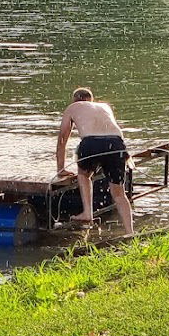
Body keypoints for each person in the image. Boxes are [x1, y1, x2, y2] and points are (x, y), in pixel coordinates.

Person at [55, 88, 134, 235]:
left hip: (91, 142)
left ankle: (87, 213)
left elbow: (62, 140)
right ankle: (130, 232)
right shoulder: (104, 106)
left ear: (75, 100)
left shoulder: (73, 107)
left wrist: (61, 169)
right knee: (119, 193)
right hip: (116, 143)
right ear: (91, 99)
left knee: (84, 174)